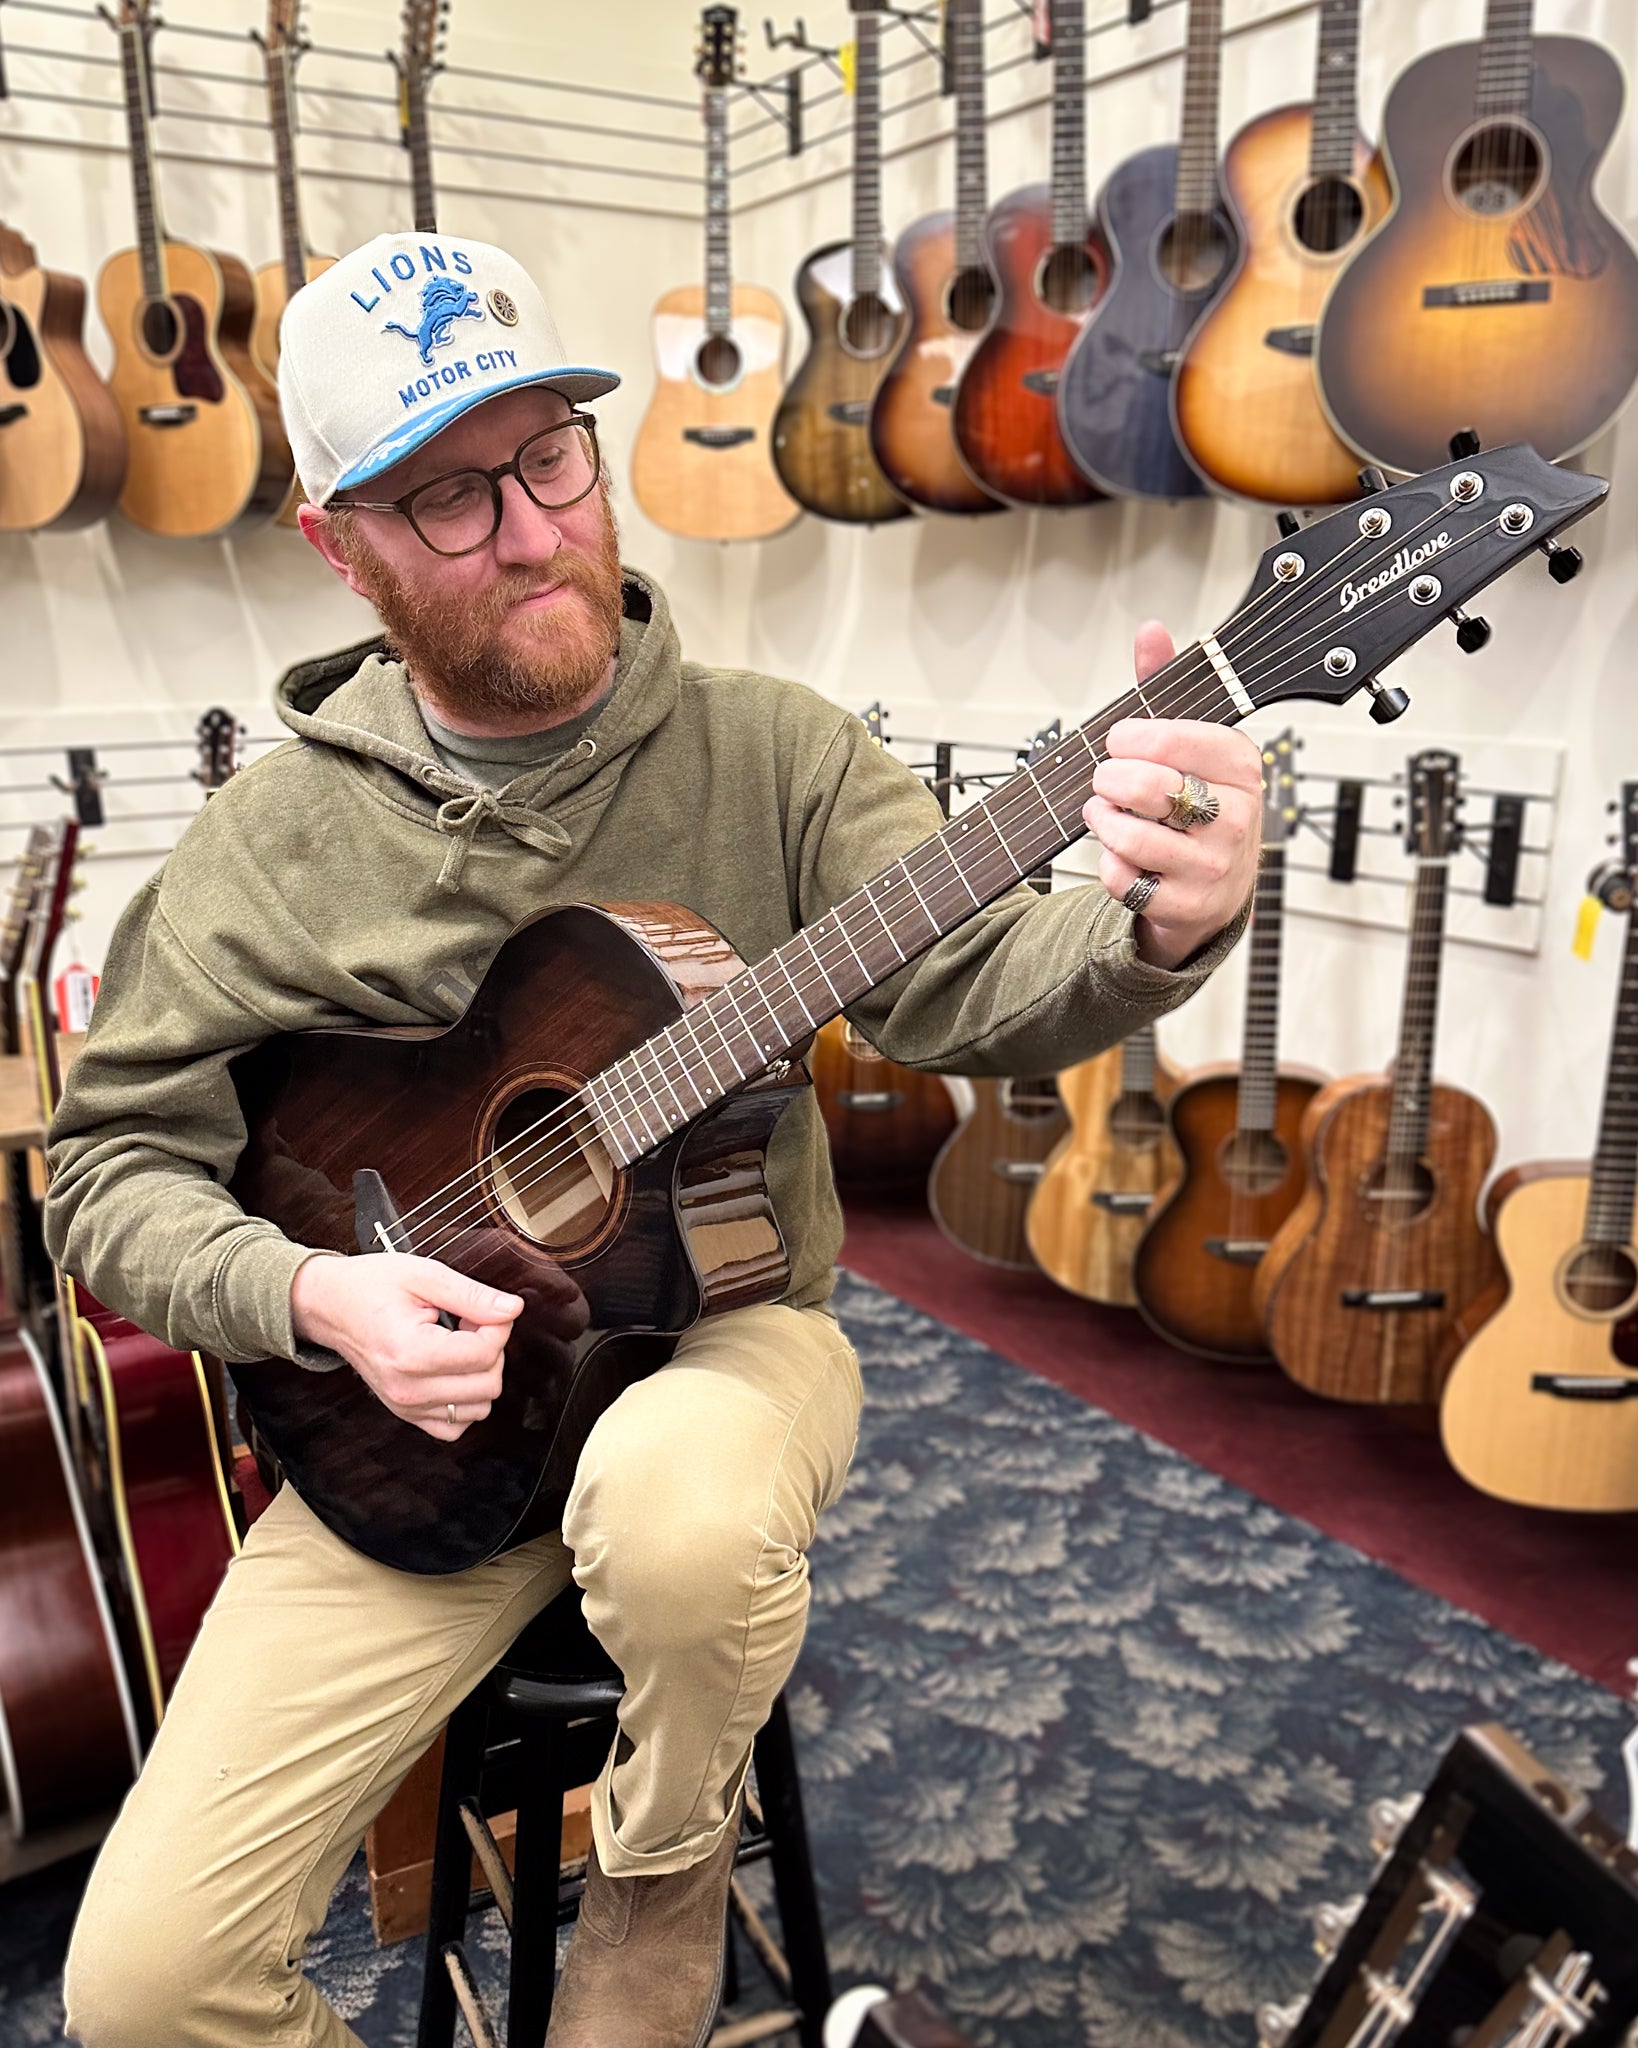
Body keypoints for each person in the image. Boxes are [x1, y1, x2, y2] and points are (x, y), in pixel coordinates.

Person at [45, 232, 1261, 2048]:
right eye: (447, 499)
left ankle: (661, 1856)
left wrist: (1156, 927)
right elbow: (107, 1172)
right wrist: (310, 1296)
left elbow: (957, 989)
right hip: (397, 1430)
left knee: (678, 1518)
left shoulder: (775, 753)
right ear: (338, 543)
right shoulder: (260, 849)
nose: (534, 531)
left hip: (718, 1340)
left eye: (551, 457)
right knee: (136, 1990)